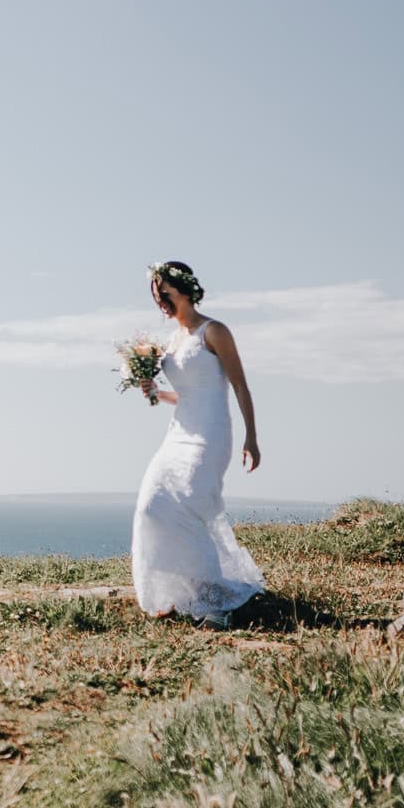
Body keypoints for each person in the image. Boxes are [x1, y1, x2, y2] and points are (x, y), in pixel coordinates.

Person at [130, 260, 264, 628]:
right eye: (156, 296)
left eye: (165, 293)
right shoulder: (170, 342)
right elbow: (187, 395)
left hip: (211, 434)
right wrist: (156, 392)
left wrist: (252, 436)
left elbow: (240, 385)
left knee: (190, 507)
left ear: (184, 290)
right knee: (151, 507)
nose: (161, 302)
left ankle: (213, 603)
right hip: (177, 433)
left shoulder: (214, 331)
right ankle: (174, 594)